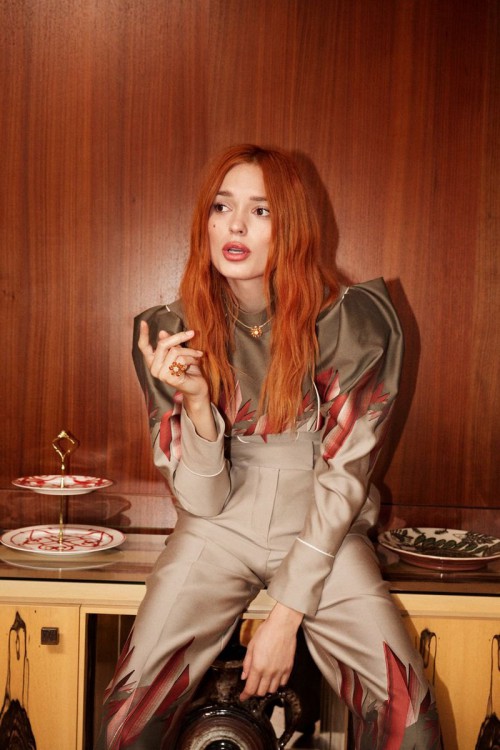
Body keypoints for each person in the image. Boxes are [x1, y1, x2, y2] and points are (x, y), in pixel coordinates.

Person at [95, 144, 441, 748]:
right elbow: (201, 502)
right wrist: (196, 402)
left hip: (322, 524)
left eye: (261, 211)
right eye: (222, 207)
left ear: (293, 227)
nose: (235, 225)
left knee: (410, 720)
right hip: (217, 529)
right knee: (128, 719)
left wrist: (285, 616)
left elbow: (346, 476)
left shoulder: (355, 321)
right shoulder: (169, 332)